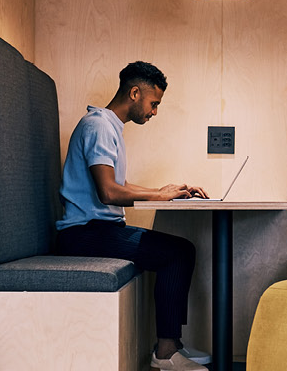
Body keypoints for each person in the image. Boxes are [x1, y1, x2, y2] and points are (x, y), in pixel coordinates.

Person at [54, 61, 210, 371]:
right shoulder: (98, 126)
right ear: (135, 93)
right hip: (83, 235)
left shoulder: (108, 126)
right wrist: (159, 196)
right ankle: (165, 352)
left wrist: (161, 189)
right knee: (178, 252)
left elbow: (118, 184)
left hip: (96, 230)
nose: (154, 112)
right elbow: (108, 192)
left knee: (179, 250)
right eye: (154, 104)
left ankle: (172, 344)